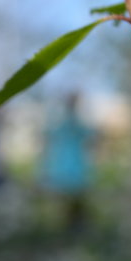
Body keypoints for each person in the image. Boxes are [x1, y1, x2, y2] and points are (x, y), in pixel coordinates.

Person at [41, 94, 95, 231]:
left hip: (72, 168)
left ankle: (74, 226)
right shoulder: (69, 123)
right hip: (70, 168)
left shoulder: (68, 123)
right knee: (72, 201)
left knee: (74, 201)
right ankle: (73, 227)